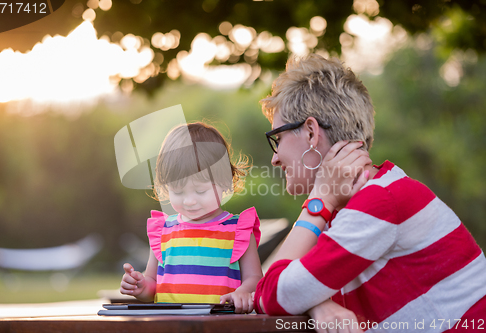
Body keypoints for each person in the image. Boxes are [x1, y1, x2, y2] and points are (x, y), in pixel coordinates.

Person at [254, 54, 486, 332]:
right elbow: (278, 284)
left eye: (277, 139)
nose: (275, 158)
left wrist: (320, 200)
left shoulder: (380, 202)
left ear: (311, 133)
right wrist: (317, 300)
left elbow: (269, 293)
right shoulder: (351, 207)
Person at [120, 122, 263, 314]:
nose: (189, 201)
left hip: (222, 324)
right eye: (178, 191)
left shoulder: (238, 229)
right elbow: (153, 283)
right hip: (170, 326)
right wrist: (141, 287)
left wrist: (244, 291)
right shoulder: (163, 231)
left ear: (225, 182)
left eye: (200, 190)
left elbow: (255, 278)